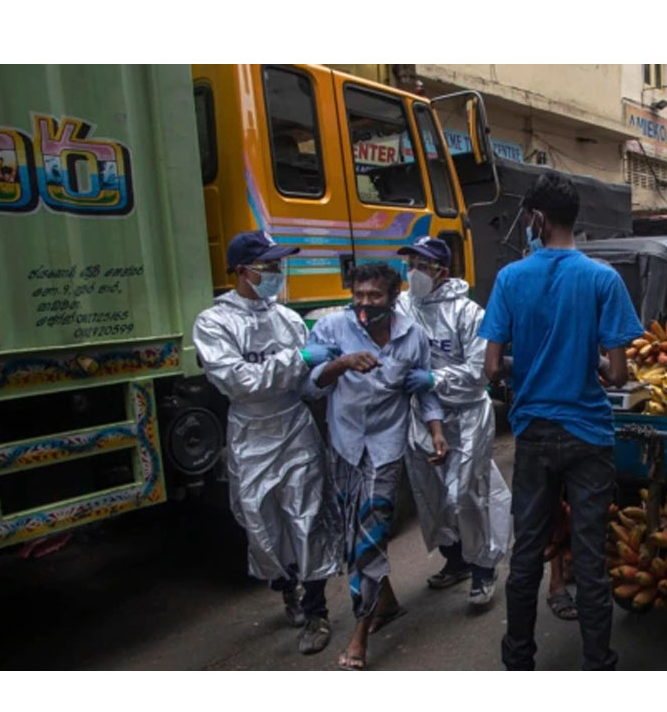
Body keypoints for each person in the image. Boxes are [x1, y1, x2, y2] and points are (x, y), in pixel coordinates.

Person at [480, 171, 643, 671]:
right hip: (589, 435)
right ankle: (597, 663)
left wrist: (527, 367)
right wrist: (588, 363)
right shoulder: (602, 278)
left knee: (526, 554)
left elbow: (490, 367)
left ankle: (519, 661)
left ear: (538, 219)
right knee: (590, 560)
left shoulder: (511, 278)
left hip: (533, 433)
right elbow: (617, 373)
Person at [192, 231, 342, 656]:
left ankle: (316, 611)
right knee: (262, 525)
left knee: (308, 518)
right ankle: (286, 586)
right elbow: (241, 382)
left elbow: (307, 386)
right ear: (243, 271)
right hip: (252, 435)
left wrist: (330, 373)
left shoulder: (290, 320)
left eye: (279, 264)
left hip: (294, 428)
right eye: (270, 265)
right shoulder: (213, 323)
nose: (278, 272)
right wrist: (300, 360)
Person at [307, 262, 449, 671]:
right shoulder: (333, 328)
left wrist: (436, 431)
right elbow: (309, 384)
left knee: (370, 532)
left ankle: (359, 637)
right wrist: (340, 364)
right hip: (345, 445)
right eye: (359, 296)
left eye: (375, 296)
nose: (365, 304)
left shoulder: (412, 336)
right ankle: (384, 600)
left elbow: (424, 393)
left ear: (393, 297)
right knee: (357, 534)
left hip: (386, 449)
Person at [395, 237, 511, 606]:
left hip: (466, 416)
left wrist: (436, 379)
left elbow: (480, 370)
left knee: (465, 493)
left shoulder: (468, 313)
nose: (413, 271)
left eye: (421, 265)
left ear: (441, 272)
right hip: (421, 414)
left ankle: (483, 568)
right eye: (410, 263)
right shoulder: (403, 306)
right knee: (431, 496)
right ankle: (456, 560)